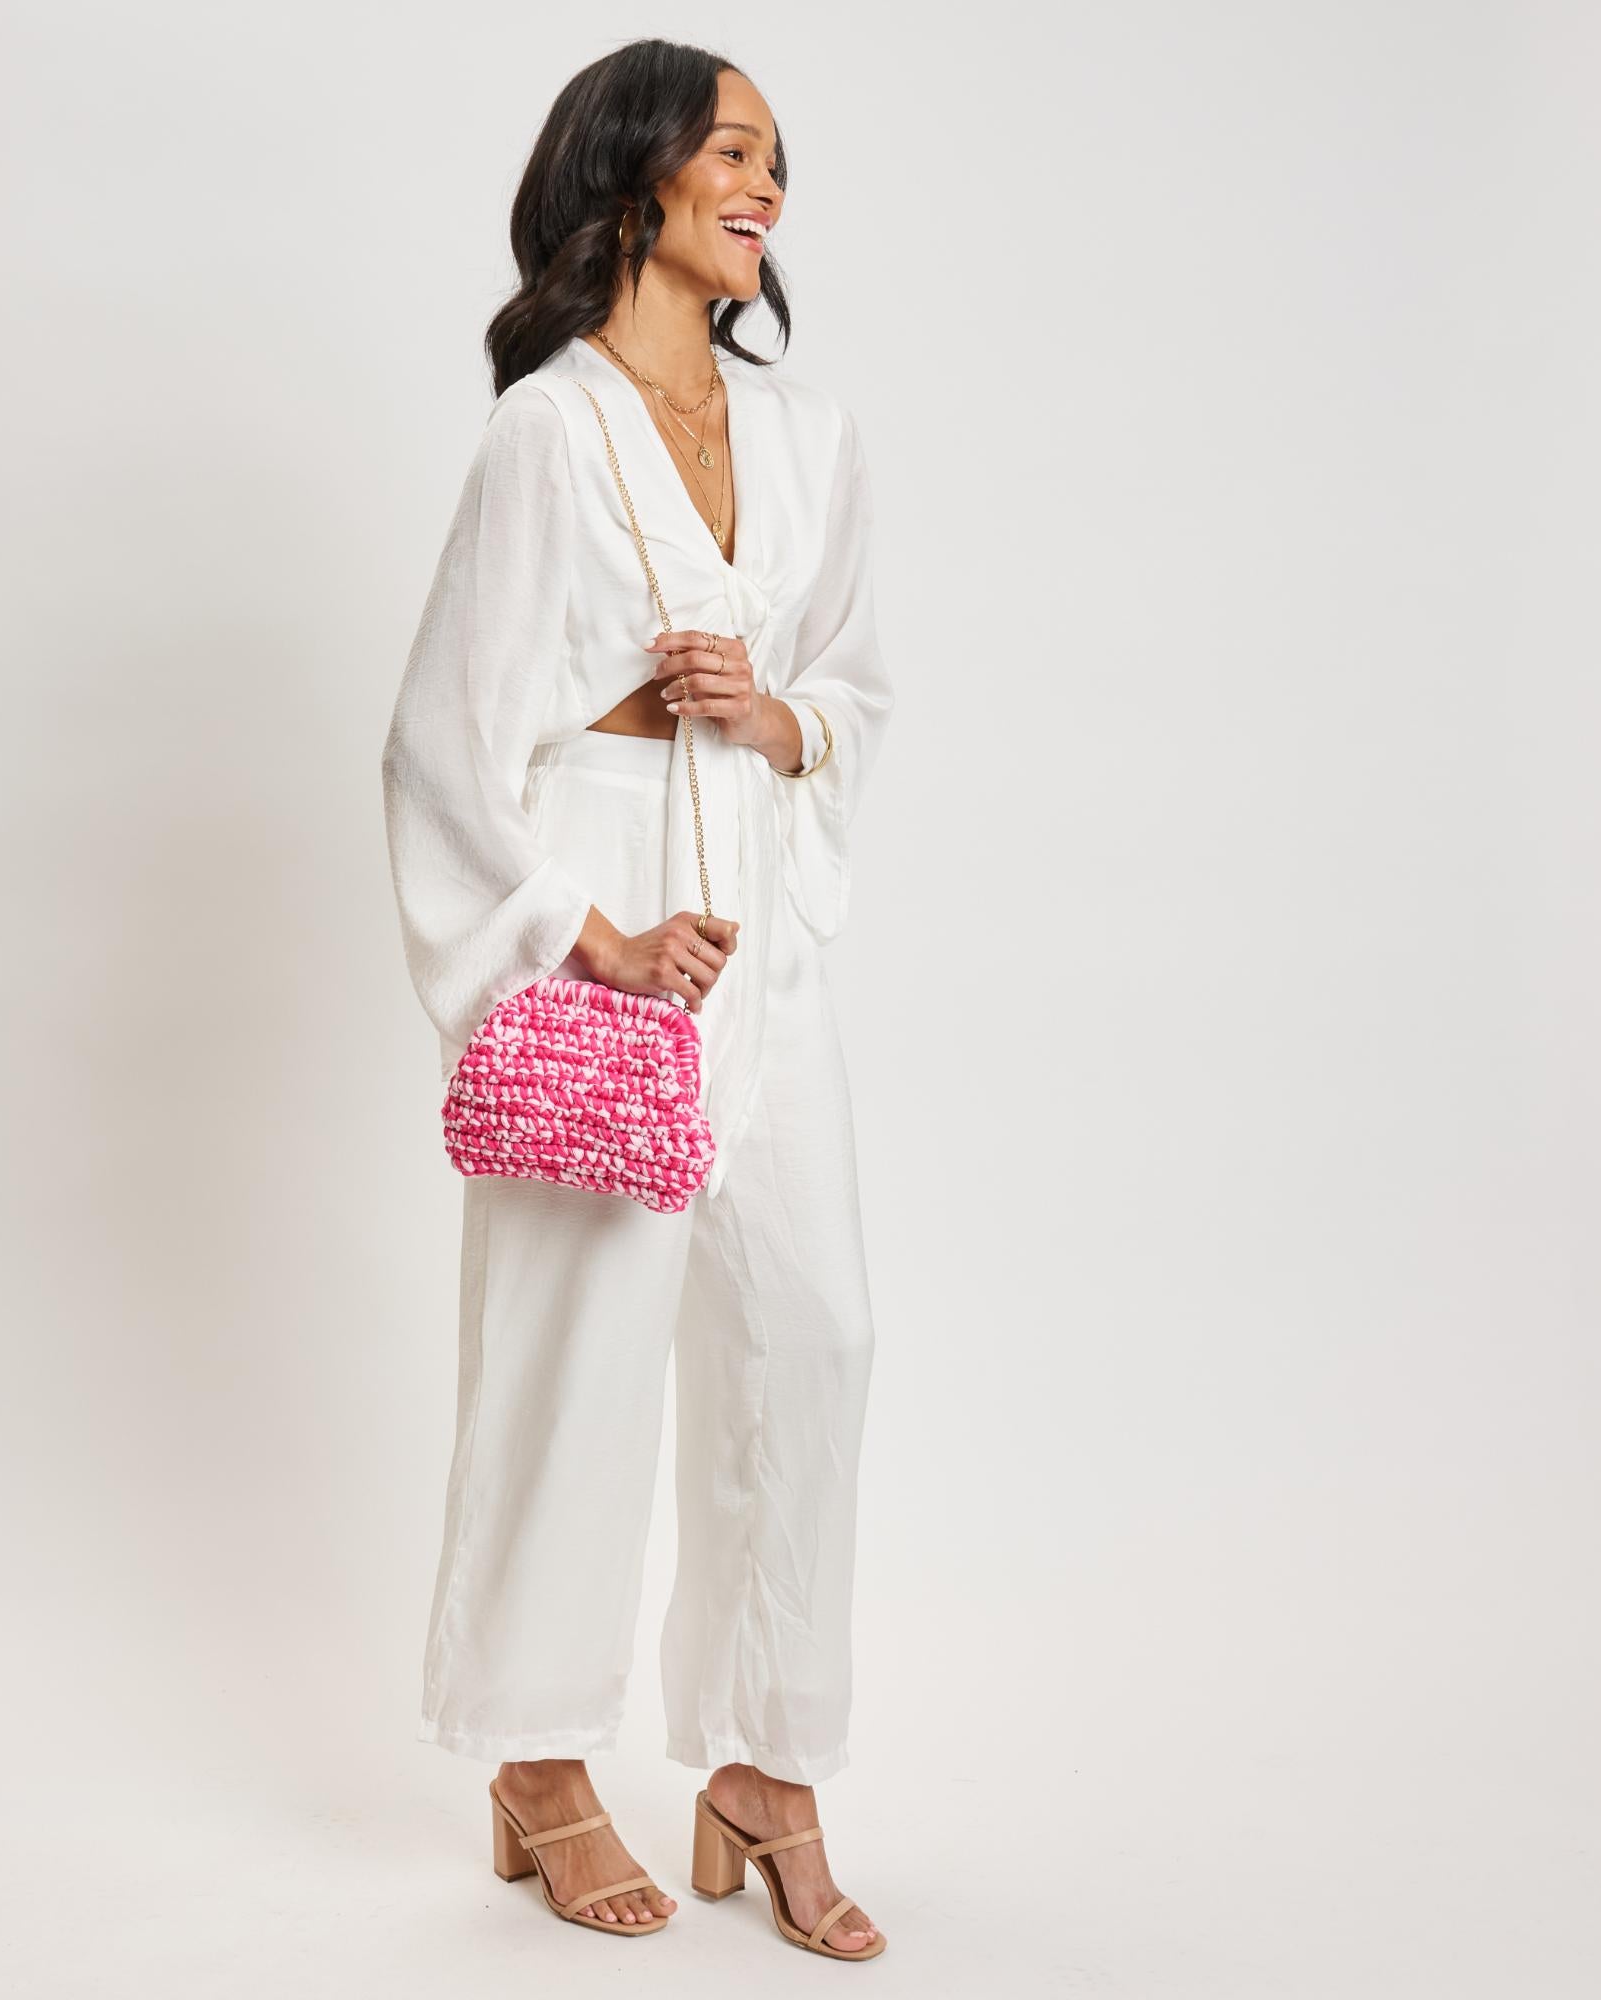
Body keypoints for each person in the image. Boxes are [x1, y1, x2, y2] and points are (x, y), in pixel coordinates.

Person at [379, 39, 895, 1959]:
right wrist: (585, 934)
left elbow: (856, 689)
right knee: (577, 1345)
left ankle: (767, 1766)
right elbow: (438, 747)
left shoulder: (813, 438)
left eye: (778, 160)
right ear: (635, 177)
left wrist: (771, 716)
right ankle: (536, 1762)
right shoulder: (545, 436)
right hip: (605, 906)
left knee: (814, 1331)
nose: (766, 187)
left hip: (762, 914)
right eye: (732, 152)